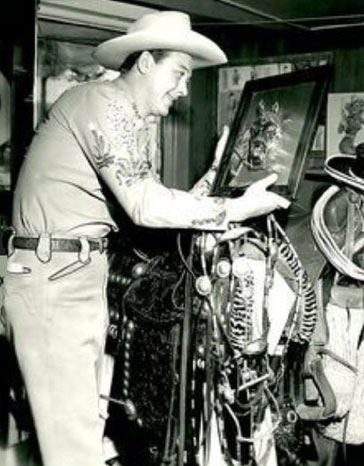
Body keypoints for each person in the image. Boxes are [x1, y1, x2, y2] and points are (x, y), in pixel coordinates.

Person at [2, 10, 289, 466]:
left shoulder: (125, 120)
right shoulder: (99, 102)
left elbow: (148, 205)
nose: (184, 88)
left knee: (79, 432)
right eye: (179, 73)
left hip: (76, 276)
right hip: (53, 281)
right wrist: (233, 208)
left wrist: (218, 173)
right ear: (144, 63)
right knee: (72, 450)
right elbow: (144, 204)